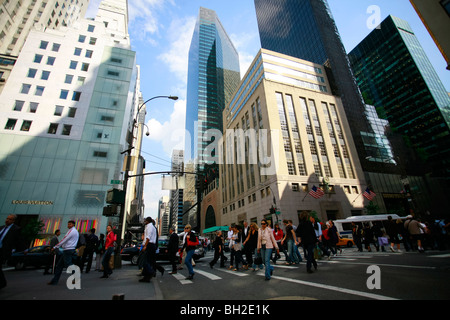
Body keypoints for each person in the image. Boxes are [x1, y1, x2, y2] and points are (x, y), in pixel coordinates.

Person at [48, 220, 79, 285]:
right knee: (60, 266)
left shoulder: (71, 231)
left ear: (73, 224)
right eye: (68, 224)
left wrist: (55, 247)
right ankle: (54, 281)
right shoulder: (75, 231)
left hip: (68, 249)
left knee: (67, 264)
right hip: (69, 249)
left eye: (70, 224)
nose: (68, 225)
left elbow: (65, 239)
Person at [0, 214, 25, 289]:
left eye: (10, 219)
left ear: (13, 221)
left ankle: (2, 282)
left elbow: (19, 241)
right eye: (7, 218)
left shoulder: (16, 229)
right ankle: (2, 282)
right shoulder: (1, 228)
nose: (7, 220)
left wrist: (24, 249)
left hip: (3, 251)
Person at [140, 217, 157, 282]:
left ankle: (151, 272)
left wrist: (145, 246)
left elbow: (148, 237)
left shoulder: (150, 227)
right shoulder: (150, 227)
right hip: (150, 245)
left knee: (145, 261)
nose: (144, 222)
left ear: (148, 221)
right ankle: (146, 277)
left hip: (149, 245)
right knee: (147, 261)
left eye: (145, 221)